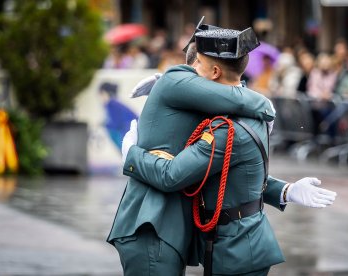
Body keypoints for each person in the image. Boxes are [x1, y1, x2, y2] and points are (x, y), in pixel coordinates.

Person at [121, 27, 336, 275]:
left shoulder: (227, 129)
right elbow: (239, 178)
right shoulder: (245, 117)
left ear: (214, 72)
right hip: (241, 243)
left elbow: (172, 175)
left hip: (236, 250)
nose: (191, 72)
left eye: (197, 64)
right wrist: (285, 191)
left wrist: (131, 155)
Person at [107, 19, 277, 276]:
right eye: (195, 62)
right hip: (151, 222)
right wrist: (266, 106)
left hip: (169, 228)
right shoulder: (176, 78)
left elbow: (228, 167)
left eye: (199, 63)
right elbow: (236, 96)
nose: (194, 70)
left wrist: (284, 191)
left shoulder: (214, 105)